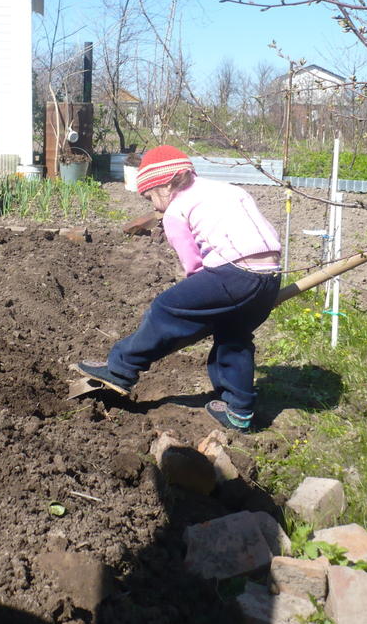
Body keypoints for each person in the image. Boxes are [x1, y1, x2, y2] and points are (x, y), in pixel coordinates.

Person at [76, 145, 281, 432]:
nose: (154, 207)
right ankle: (239, 410)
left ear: (166, 185)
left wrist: (195, 304)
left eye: (149, 197)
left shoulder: (175, 210)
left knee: (166, 308)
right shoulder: (228, 190)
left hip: (232, 274)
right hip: (270, 275)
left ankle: (120, 369)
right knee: (233, 337)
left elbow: (195, 266)